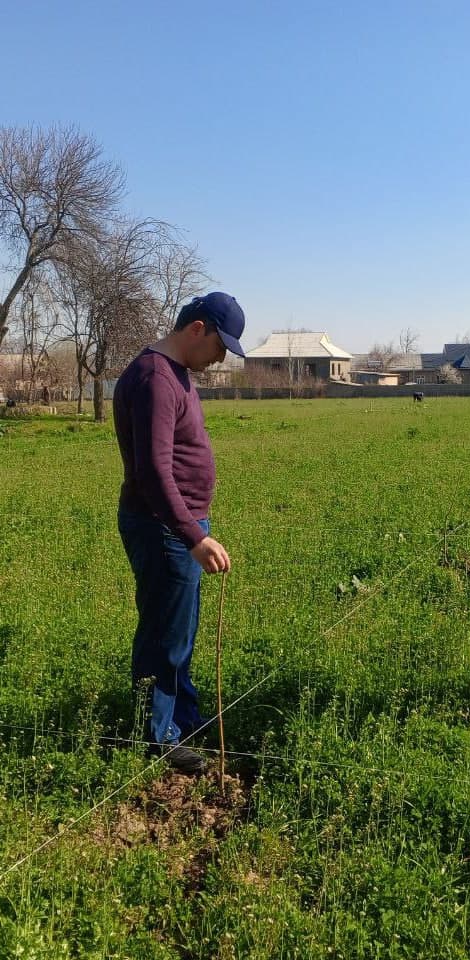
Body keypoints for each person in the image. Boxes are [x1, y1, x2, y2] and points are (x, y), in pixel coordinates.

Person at [113, 292, 246, 773]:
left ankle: (182, 719)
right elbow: (152, 470)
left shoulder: (176, 374)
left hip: (179, 525)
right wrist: (192, 534)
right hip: (163, 528)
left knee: (180, 629)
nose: (220, 358)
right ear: (196, 328)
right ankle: (158, 739)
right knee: (164, 636)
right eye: (220, 345)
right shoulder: (154, 379)